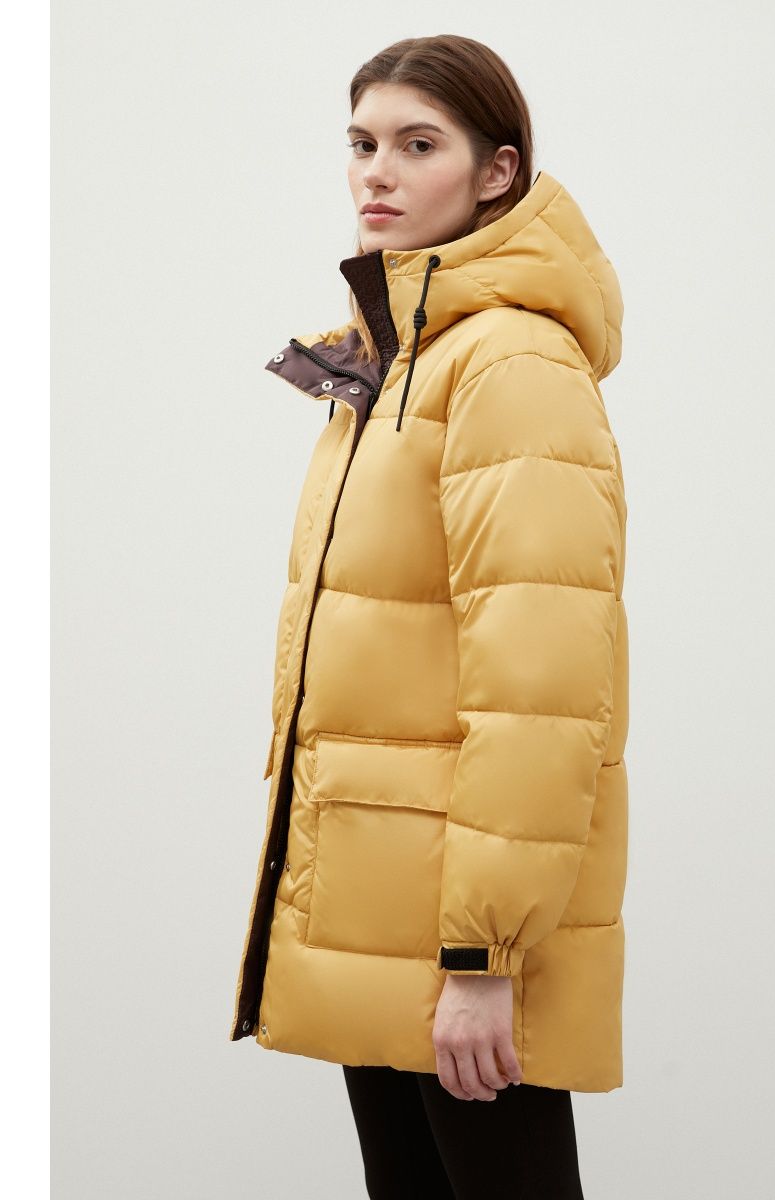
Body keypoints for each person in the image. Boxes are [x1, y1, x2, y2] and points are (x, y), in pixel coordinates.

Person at [230, 33, 628, 1199]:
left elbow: (541, 690)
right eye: (362, 144)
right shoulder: (397, 359)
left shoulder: (510, 364)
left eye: (418, 145)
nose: (378, 173)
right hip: (374, 896)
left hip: (458, 925)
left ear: (497, 172)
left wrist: (484, 953)